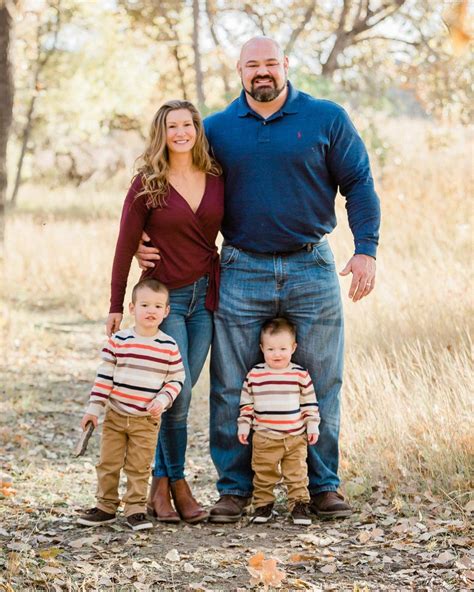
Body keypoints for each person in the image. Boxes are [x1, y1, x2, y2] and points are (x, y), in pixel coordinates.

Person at [137, 37, 380, 522]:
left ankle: (321, 487)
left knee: (320, 379)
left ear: (286, 65)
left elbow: (358, 184)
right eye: (253, 65)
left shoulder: (326, 117)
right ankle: (235, 489)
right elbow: (177, 179)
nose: (262, 72)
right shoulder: (219, 129)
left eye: (271, 63)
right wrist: (148, 233)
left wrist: (366, 250)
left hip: (311, 264)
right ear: (240, 70)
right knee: (231, 384)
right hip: (241, 267)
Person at [106, 100, 224, 523]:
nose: (180, 132)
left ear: (197, 130)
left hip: (205, 299)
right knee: (181, 389)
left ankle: (159, 484)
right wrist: (116, 303)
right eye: (172, 126)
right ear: (162, 132)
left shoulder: (215, 176)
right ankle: (176, 484)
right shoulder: (147, 182)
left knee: (173, 396)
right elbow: (125, 242)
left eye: (187, 125)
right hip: (163, 301)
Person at [77, 279, 185, 531]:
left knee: (139, 465)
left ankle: (135, 509)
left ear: (166, 311)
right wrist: (94, 409)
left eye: (158, 306)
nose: (151, 311)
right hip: (116, 415)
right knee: (108, 462)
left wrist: (163, 399)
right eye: (145, 304)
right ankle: (105, 506)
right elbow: (104, 376)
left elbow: (176, 378)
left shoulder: (168, 346)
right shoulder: (119, 341)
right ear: (132, 308)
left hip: (146, 420)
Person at [238, 318, 320, 526]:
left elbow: (309, 403)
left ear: (293, 348)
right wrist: (244, 425)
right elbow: (247, 403)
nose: (277, 354)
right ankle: (263, 505)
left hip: (294, 437)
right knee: (264, 474)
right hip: (265, 437)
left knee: (297, 474)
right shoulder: (255, 375)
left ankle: (299, 505)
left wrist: (312, 425)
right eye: (271, 349)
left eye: (283, 348)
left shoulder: (300, 374)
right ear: (261, 348)